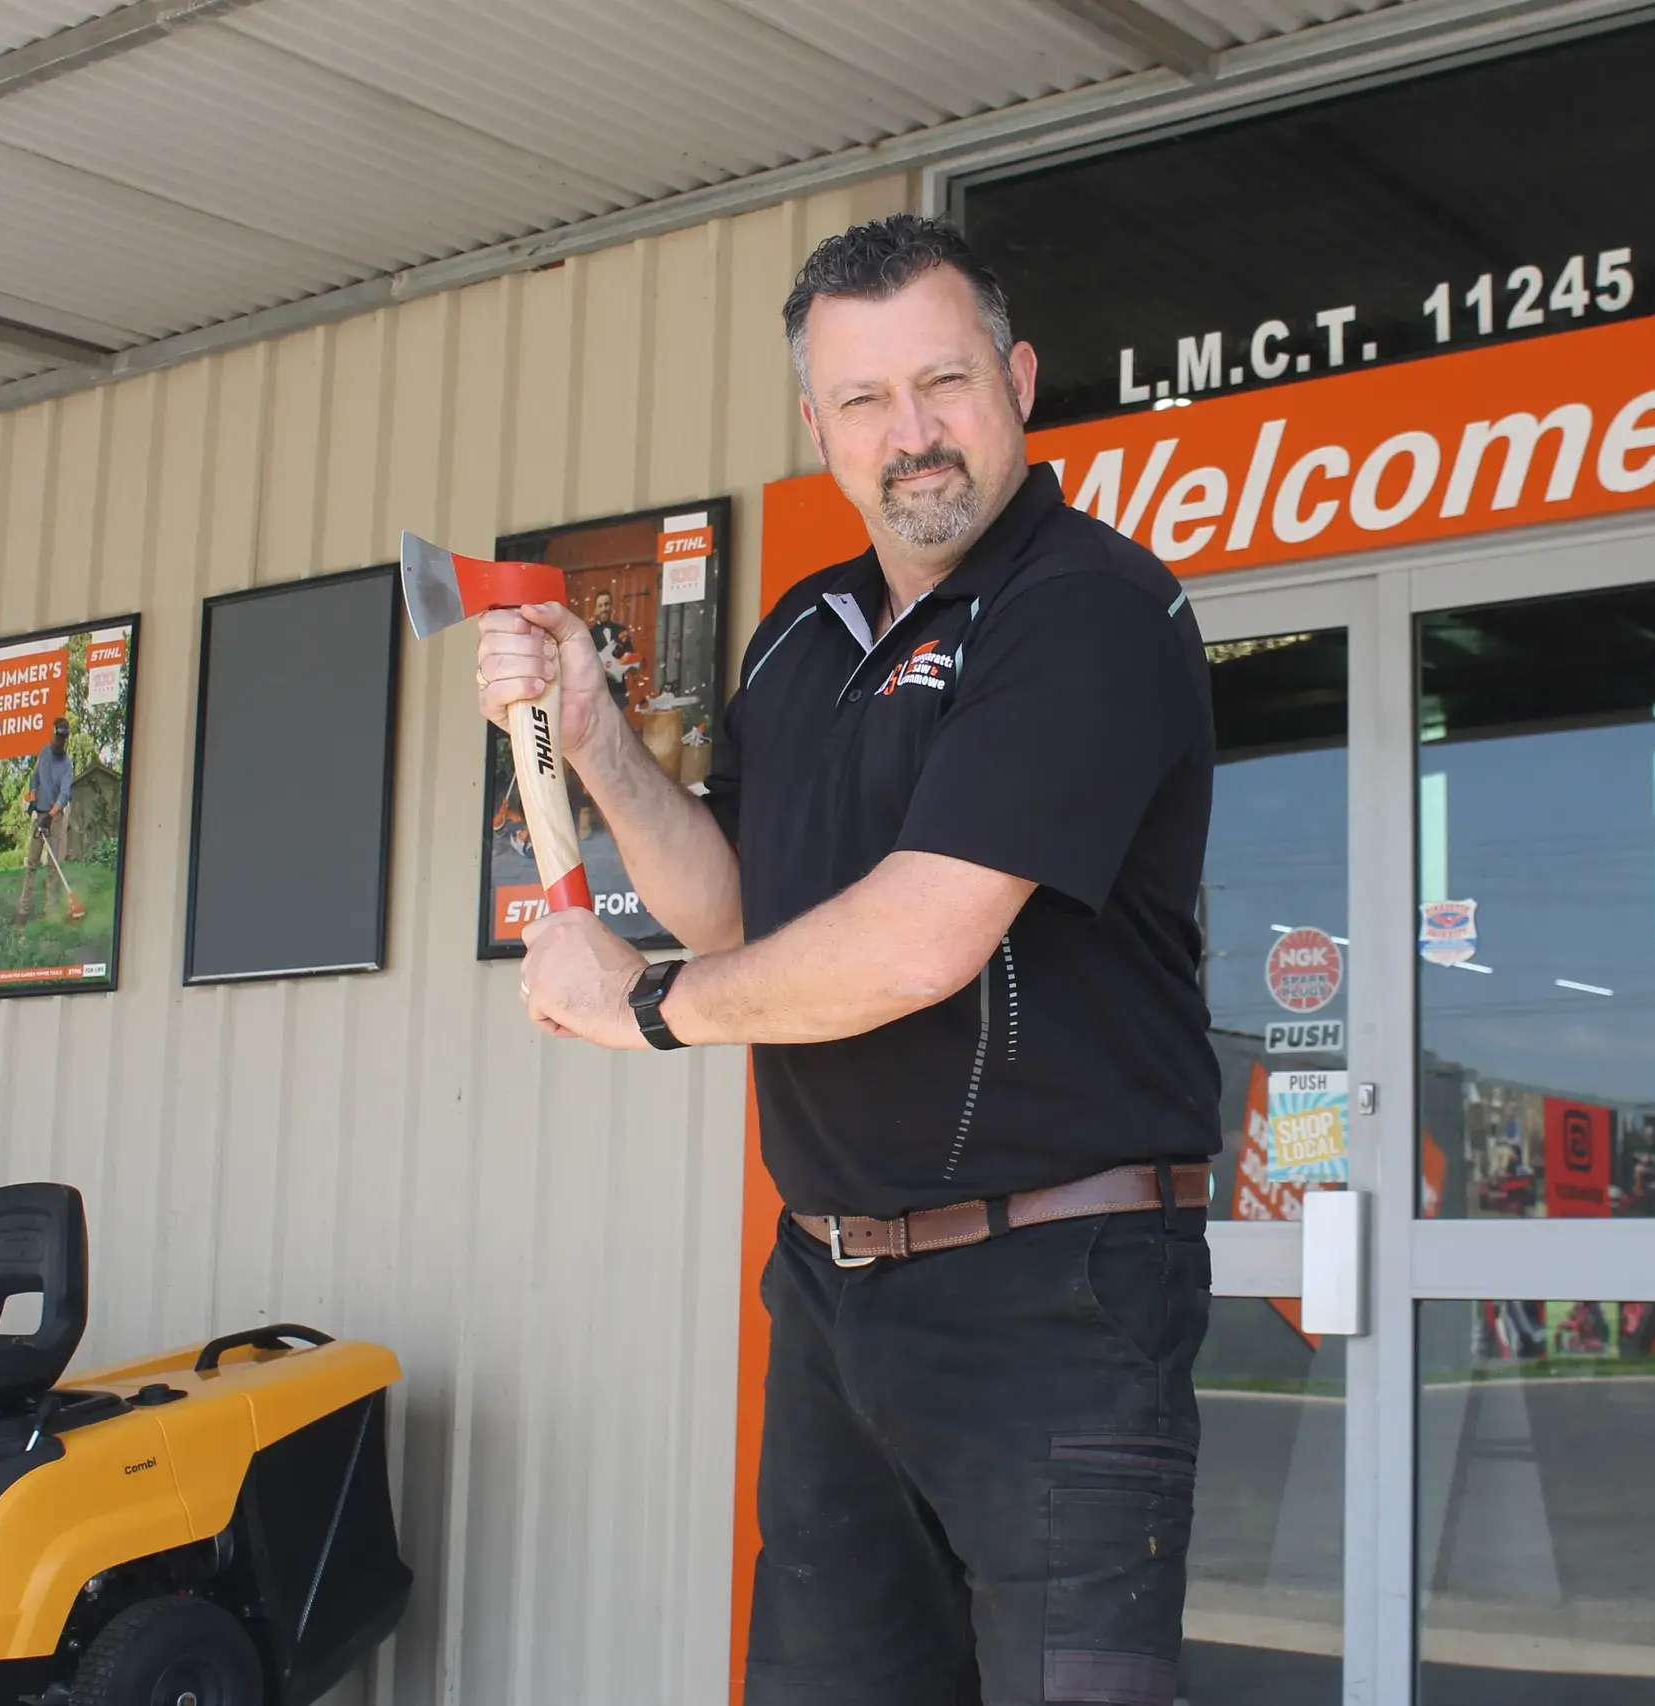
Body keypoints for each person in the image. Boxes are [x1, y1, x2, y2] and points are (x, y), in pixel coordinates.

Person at [477, 213, 1217, 1706]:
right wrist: (597, 732)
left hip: (1057, 1294)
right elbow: (736, 914)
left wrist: (640, 1008)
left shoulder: (1090, 608)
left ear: (1017, 380)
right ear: (817, 425)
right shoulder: (798, 637)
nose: (912, 432)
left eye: (944, 382)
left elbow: (919, 937)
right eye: (865, 398)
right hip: (829, 1292)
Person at [14, 715, 73, 923]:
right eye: (57, 737)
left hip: (55, 817)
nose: (59, 742)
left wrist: (50, 815)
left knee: (53, 867)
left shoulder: (67, 764)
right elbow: (35, 778)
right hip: (39, 813)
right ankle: (24, 910)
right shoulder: (45, 753)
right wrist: (32, 799)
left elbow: (64, 795)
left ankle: (51, 913)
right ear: (53, 734)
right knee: (31, 864)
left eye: (63, 739)